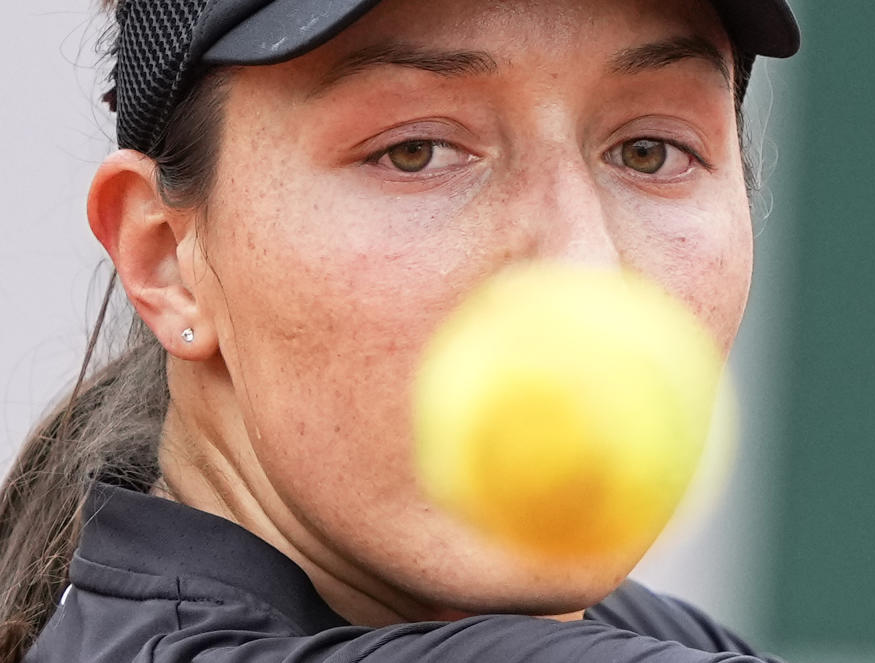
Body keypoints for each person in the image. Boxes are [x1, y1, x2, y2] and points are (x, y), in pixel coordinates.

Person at [0, 0, 800, 660]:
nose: (582, 269)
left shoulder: (647, 630)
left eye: (651, 151)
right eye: (414, 152)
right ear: (166, 259)